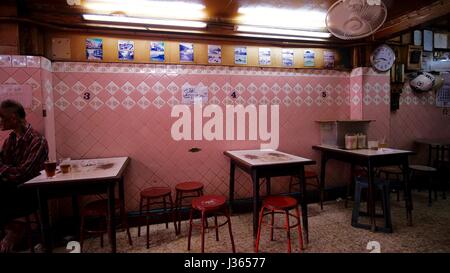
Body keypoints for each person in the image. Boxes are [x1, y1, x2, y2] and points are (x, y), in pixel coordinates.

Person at [0, 99, 49, 252]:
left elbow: (23, 173)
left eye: (1, 117)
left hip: (29, 194)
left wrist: (4, 170)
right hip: (10, 190)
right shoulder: (11, 140)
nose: (0, 121)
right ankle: (12, 231)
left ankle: (15, 230)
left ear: (13, 117)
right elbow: (4, 164)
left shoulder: (37, 140)